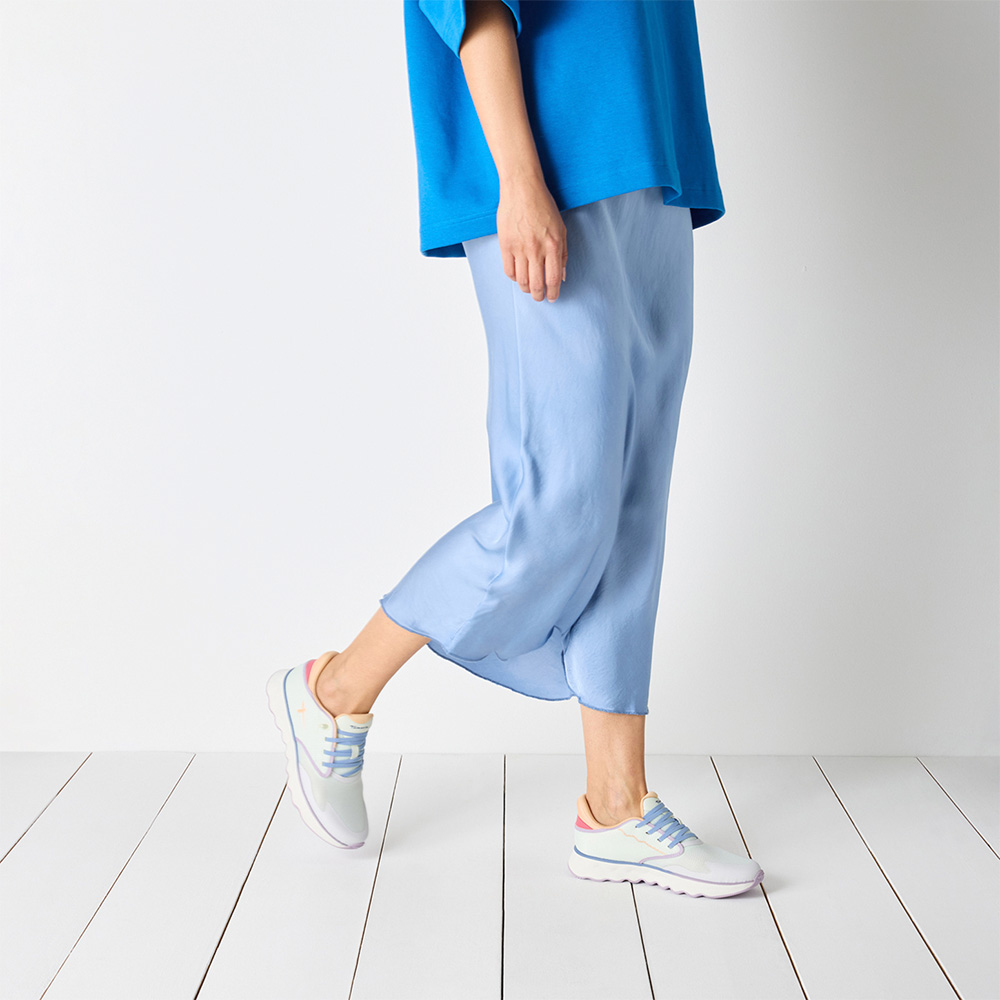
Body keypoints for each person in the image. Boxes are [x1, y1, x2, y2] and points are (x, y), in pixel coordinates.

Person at [267, 0, 764, 899]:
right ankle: (333, 692)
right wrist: (520, 177)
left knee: (632, 500)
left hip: (652, 143)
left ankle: (616, 807)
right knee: (557, 504)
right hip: (548, 159)